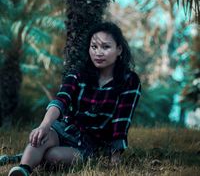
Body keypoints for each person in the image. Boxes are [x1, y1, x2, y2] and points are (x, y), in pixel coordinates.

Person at [8, 21, 141, 176]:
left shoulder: (129, 80)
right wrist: (44, 125)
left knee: (53, 156)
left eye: (106, 47)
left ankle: (20, 157)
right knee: (41, 137)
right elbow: (61, 100)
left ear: (119, 49)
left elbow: (121, 121)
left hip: (90, 144)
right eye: (94, 47)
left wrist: (115, 157)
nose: (98, 52)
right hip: (64, 129)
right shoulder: (78, 73)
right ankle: (23, 169)